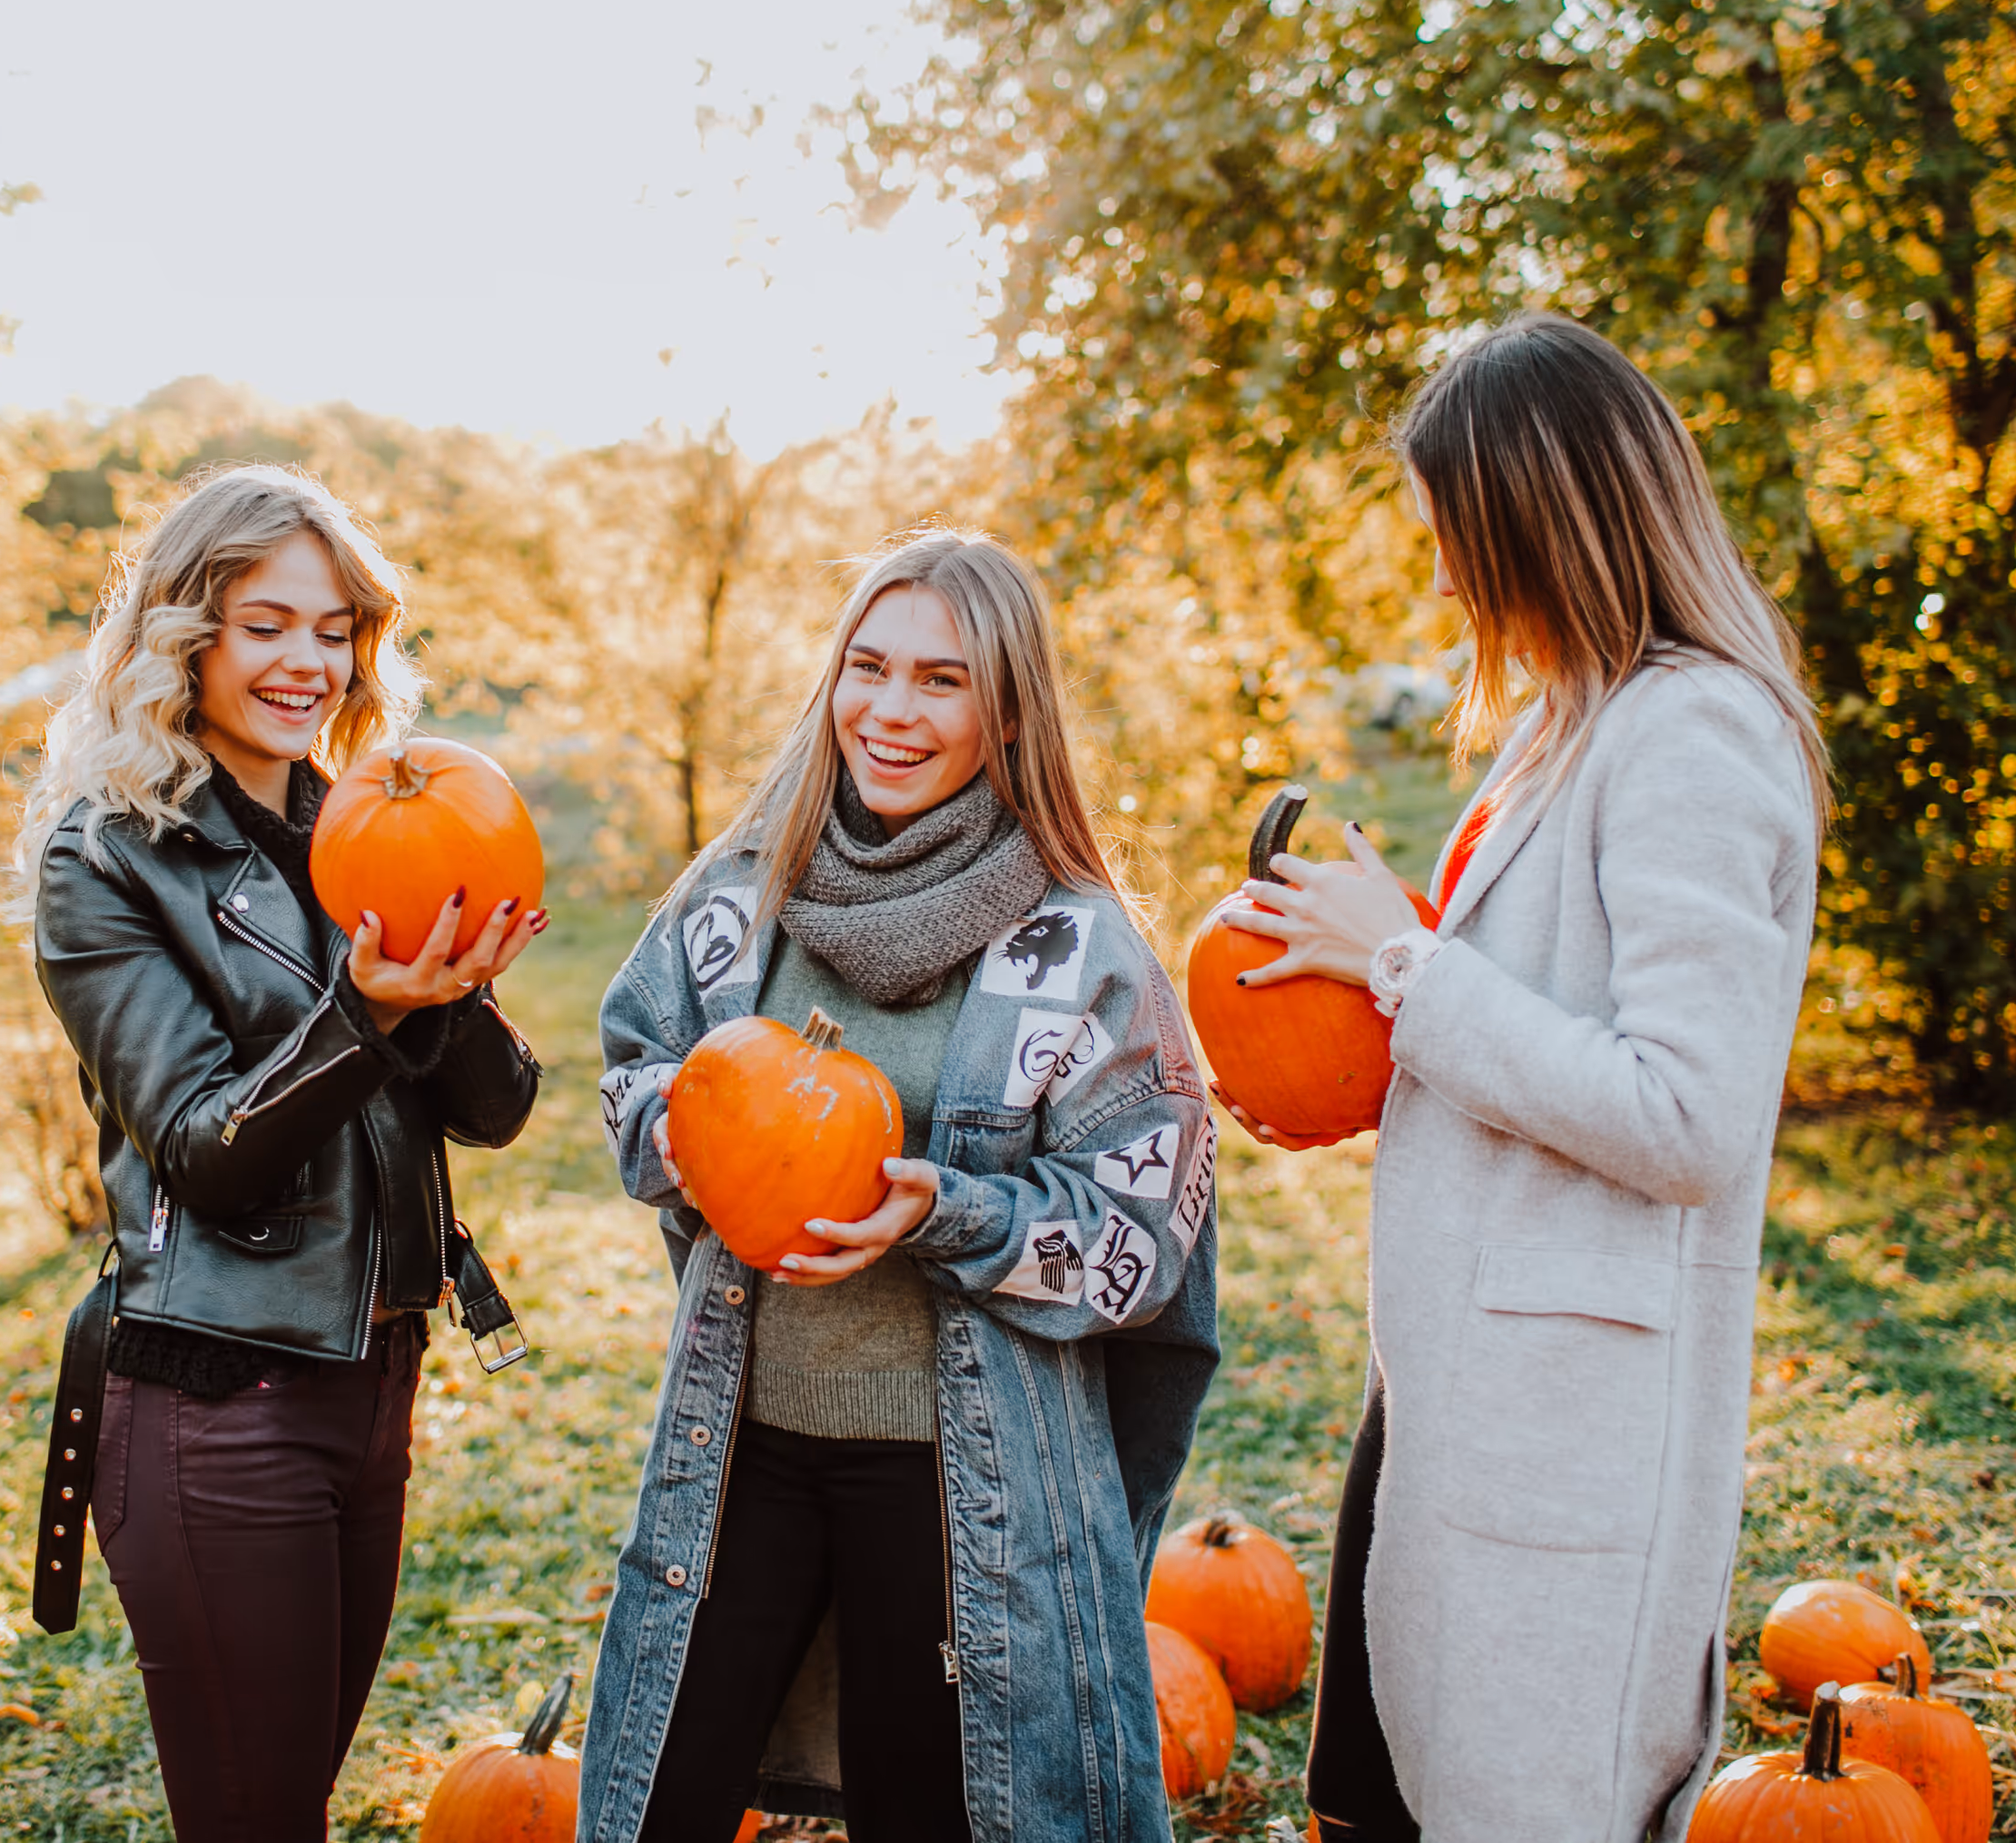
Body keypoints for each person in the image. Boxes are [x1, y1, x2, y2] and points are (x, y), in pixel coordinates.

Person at [1215, 312, 1828, 1841]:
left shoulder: (1693, 734)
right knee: (1389, 1789)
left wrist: (1402, 969)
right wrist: (1336, 1054)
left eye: (1451, 540)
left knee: (1518, 1799)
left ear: (1541, 526)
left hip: (1567, 1412)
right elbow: (1518, 1034)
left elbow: (1685, 1116)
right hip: (1451, 1380)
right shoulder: (1570, 725)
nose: (1437, 581)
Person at [576, 530, 1220, 1843]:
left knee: (931, 1808)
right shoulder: (736, 899)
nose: (889, 710)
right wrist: (695, 1132)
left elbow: (1137, 1244)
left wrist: (950, 1213)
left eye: (939, 680)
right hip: (736, 1446)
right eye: (865, 668)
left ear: (1005, 709)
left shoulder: (1076, 948)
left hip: (954, 1485)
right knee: (654, 1793)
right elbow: (630, 1076)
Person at [12, 465, 546, 1843]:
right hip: (216, 1408)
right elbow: (206, 1154)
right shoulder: (109, 863)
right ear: (188, 635)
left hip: (372, 1392)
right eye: (265, 625)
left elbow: (491, 1113)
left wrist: (458, 989)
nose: (306, 661)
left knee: (289, 1802)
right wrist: (370, 1008)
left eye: (332, 629)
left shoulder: (370, 822)